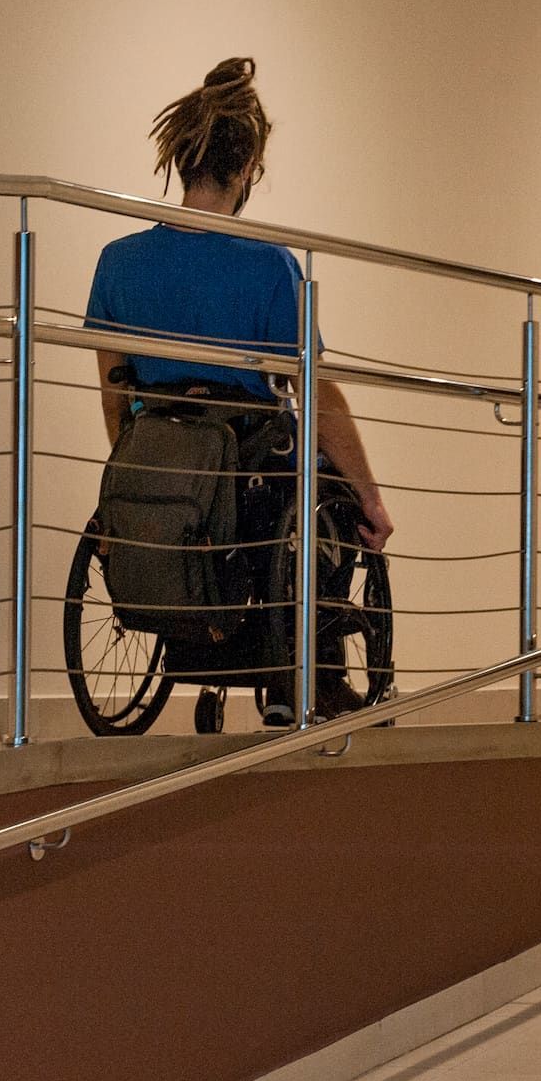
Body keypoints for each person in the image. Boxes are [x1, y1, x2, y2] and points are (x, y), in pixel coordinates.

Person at [84, 57, 393, 721]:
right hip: (247, 454)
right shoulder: (269, 265)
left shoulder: (118, 262)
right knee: (327, 492)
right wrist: (370, 495)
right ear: (248, 165)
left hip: (152, 446)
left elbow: (113, 388)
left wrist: (134, 465)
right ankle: (305, 675)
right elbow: (320, 395)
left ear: (181, 156)